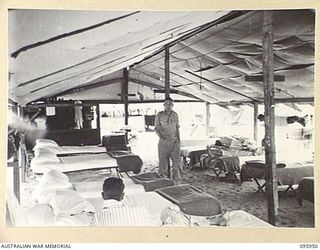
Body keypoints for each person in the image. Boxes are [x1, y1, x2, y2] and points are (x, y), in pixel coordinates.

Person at [155, 97, 181, 183]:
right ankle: (164, 182)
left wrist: (178, 140)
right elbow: (156, 129)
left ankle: (176, 182)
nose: (168, 106)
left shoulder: (175, 115)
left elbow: (177, 128)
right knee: (163, 164)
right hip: (163, 142)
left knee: (176, 164)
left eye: (170, 104)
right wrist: (162, 138)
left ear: (173, 105)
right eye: (166, 104)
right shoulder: (159, 115)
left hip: (174, 142)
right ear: (164, 105)